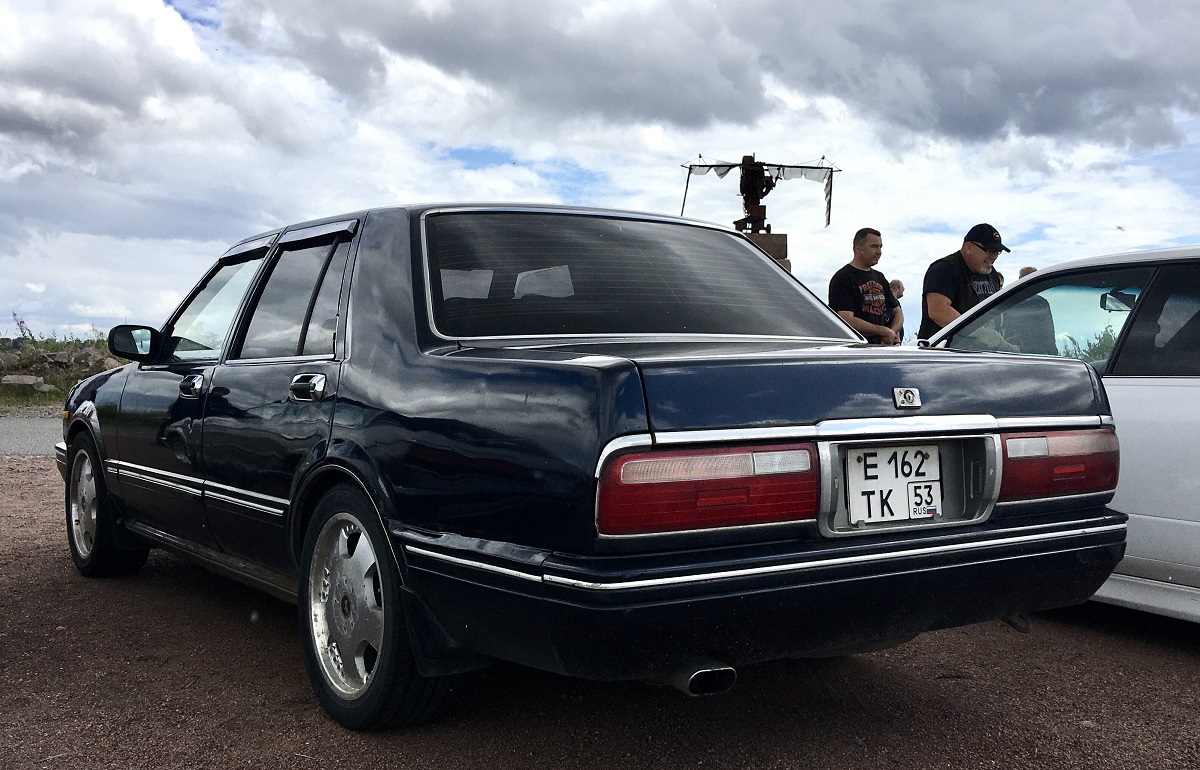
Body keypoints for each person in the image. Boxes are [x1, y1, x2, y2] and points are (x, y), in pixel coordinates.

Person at [917, 223, 1009, 339]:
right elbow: (938, 311)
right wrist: (979, 333)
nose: (994, 256)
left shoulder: (992, 274)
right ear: (969, 247)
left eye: (997, 252)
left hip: (982, 352)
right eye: (990, 250)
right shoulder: (944, 269)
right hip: (945, 352)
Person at [828, 228, 903, 345]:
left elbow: (898, 312)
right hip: (856, 349)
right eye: (874, 246)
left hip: (883, 348)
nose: (879, 252)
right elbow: (846, 319)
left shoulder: (880, 277)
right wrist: (882, 331)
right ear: (857, 248)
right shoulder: (843, 278)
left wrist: (890, 333)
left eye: (880, 247)